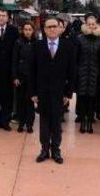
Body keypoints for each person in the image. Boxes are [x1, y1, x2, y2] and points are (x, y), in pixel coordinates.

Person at [30, 17, 76, 164]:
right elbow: (32, 71)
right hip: (42, 92)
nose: (51, 29)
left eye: (54, 26)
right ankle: (44, 149)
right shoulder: (37, 46)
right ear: (44, 30)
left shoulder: (68, 46)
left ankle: (56, 150)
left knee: (56, 122)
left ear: (60, 28)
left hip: (59, 93)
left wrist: (68, 94)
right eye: (48, 27)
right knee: (43, 122)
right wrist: (33, 93)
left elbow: (72, 72)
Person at [75, 14, 100, 134]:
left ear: (96, 25)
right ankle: (83, 121)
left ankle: (90, 120)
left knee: (92, 98)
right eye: (89, 24)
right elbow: (76, 57)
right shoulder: (80, 39)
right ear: (85, 24)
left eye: (93, 24)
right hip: (82, 73)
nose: (91, 26)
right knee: (82, 97)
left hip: (95, 73)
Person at [12, 21, 37, 133]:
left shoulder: (37, 43)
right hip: (20, 77)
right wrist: (15, 77)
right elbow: (14, 61)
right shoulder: (18, 42)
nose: (27, 31)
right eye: (25, 29)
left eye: (29, 29)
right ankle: (21, 123)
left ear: (33, 31)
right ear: (23, 30)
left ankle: (30, 124)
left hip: (32, 78)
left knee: (30, 102)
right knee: (21, 101)